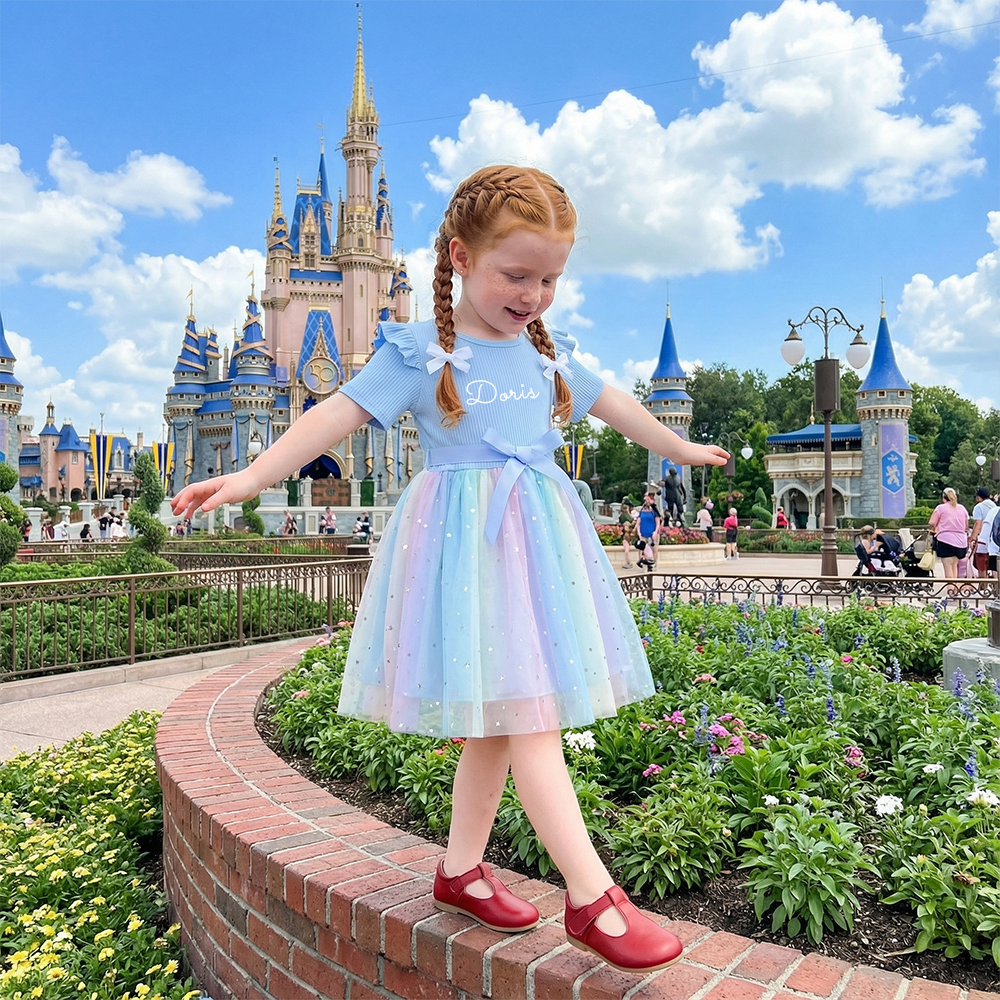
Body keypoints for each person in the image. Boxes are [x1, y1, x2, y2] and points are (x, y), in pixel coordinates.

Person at [170, 165, 728, 975]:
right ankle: (591, 897)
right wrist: (251, 477)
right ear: (461, 258)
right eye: (517, 275)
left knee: (503, 725)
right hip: (468, 556)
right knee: (528, 719)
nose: (534, 295)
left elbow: (615, 404)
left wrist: (678, 447)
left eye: (549, 279)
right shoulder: (421, 351)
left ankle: (460, 872)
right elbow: (335, 414)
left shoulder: (545, 353)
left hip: (538, 551)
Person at [929, 487, 969, 581]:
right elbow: (966, 526)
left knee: (948, 570)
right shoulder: (962, 508)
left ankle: (950, 588)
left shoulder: (940, 508)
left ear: (944, 498)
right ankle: (955, 588)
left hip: (945, 541)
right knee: (954, 567)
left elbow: (932, 523)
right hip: (961, 543)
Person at [969, 486, 997, 580]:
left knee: (982, 565)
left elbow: (978, 523)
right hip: (995, 540)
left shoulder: (979, 507)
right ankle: (996, 585)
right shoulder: (995, 506)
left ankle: (983, 585)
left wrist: (972, 538)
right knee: (995, 565)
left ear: (978, 497)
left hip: (983, 540)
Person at [636, 496, 661, 570]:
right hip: (643, 533)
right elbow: (638, 523)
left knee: (654, 550)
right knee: (642, 550)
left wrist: (655, 532)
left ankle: (655, 564)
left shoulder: (654, 512)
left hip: (651, 534)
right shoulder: (641, 512)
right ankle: (644, 564)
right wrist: (639, 533)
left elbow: (658, 523)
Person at [618, 500, 636, 567]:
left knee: (627, 550)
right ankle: (628, 563)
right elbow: (629, 522)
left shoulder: (627, 515)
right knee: (626, 551)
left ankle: (628, 563)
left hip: (628, 536)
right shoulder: (623, 516)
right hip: (626, 536)